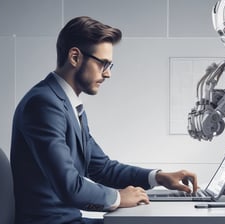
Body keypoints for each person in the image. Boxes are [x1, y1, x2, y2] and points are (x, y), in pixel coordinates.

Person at [10, 16, 198, 224]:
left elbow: (102, 168)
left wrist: (158, 177)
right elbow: (70, 186)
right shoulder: (44, 104)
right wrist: (119, 197)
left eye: (110, 65)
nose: (107, 74)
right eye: (103, 64)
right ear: (74, 57)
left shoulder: (67, 105)